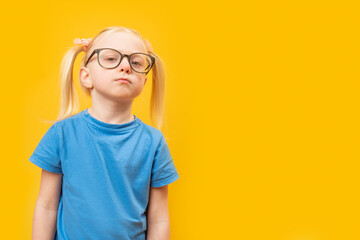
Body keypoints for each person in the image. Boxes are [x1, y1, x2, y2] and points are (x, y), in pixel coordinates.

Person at [29, 26, 180, 240]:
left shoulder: (153, 143)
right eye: (110, 59)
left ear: (144, 82)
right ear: (86, 76)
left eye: (136, 62)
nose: (126, 66)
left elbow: (159, 218)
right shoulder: (62, 134)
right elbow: (46, 206)